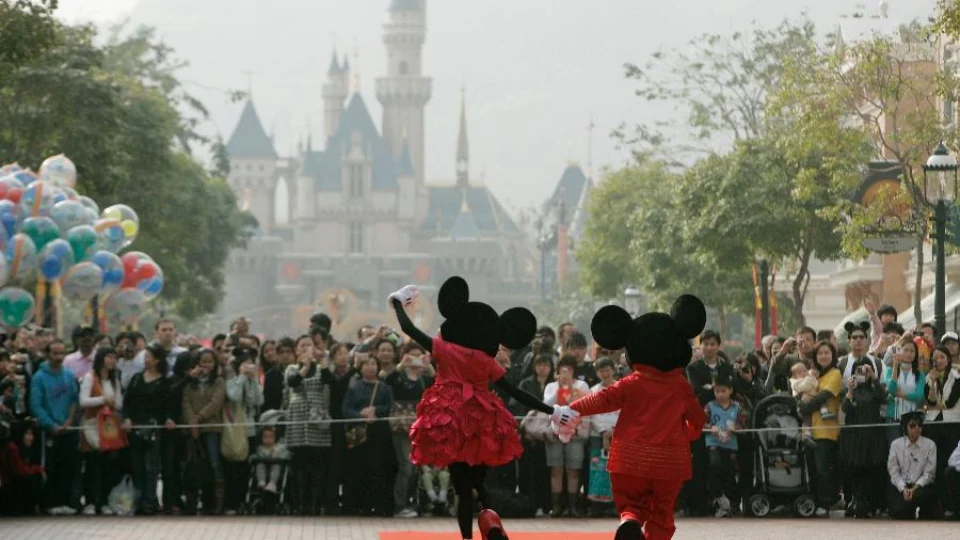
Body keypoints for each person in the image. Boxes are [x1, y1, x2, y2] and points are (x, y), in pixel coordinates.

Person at [388, 278, 573, 540]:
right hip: (482, 421)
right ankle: (491, 521)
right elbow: (515, 391)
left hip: (450, 419)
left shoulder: (445, 350)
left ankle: (467, 537)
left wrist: (397, 302)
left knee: (462, 488)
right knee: (479, 482)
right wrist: (553, 411)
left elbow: (409, 328)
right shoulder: (485, 361)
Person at [560, 295, 707, 540]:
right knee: (662, 514)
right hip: (669, 462)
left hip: (629, 459)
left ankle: (629, 519)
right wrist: (688, 433)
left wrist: (573, 408)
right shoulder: (680, 387)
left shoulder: (631, 383)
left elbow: (602, 399)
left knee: (630, 504)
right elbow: (698, 420)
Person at [887, 411, 937, 519]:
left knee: (928, 511)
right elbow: (893, 471)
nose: (917, 428)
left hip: (921, 486)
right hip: (902, 486)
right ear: (905, 427)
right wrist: (903, 488)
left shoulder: (930, 445)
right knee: (899, 513)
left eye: (920, 425)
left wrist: (914, 489)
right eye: (912, 425)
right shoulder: (896, 444)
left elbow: (929, 474)